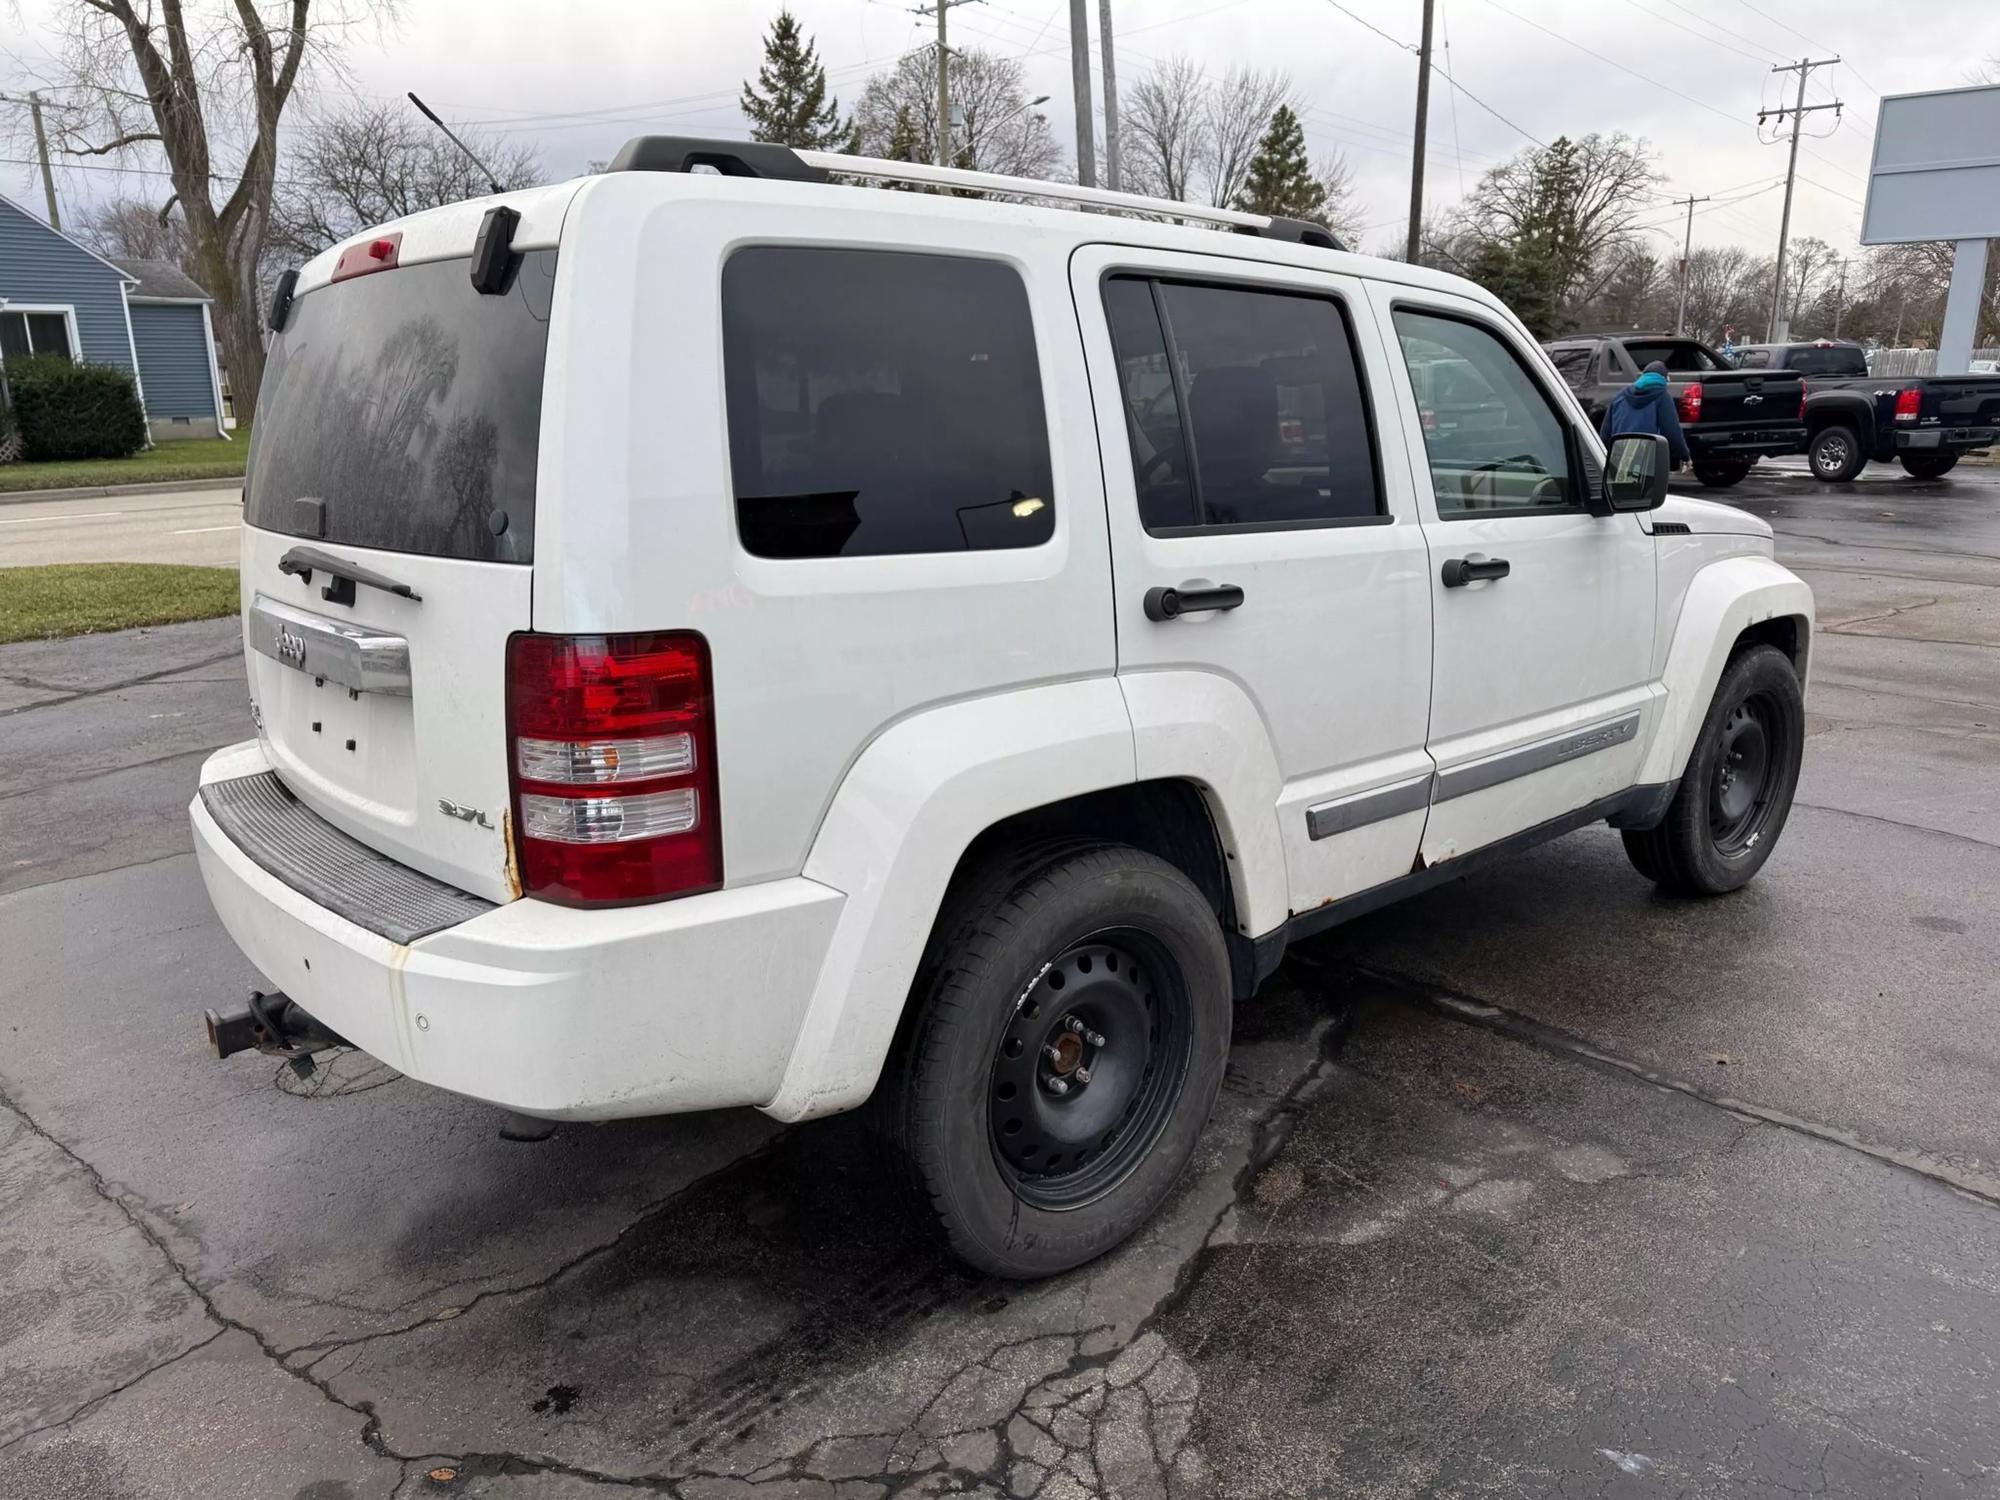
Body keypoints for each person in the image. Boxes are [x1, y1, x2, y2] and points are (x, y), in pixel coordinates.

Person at [1601, 359, 1691, 470]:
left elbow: (1605, 432)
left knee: (1622, 487)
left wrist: (1606, 457)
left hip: (1619, 456)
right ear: (1663, 379)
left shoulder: (1620, 396)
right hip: (1646, 459)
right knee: (1646, 487)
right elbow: (1671, 431)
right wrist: (1684, 456)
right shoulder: (1662, 396)